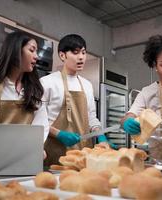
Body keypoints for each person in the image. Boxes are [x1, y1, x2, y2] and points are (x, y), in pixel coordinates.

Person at [0, 31, 49, 159]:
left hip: (25, 160)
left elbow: (41, 128)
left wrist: (36, 148)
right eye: (32, 50)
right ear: (15, 50)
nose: (37, 57)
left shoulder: (35, 93)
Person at [41, 34, 114, 166]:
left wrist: (100, 135)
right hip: (54, 151)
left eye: (83, 52)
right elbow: (39, 120)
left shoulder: (87, 85)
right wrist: (58, 134)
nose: (81, 57)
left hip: (83, 153)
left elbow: (91, 117)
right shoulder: (47, 82)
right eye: (75, 53)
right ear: (62, 55)